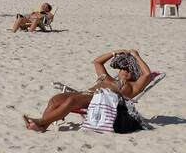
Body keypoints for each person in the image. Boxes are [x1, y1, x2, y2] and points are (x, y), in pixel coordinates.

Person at [24, 50, 153, 132]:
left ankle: (41, 121)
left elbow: (148, 74)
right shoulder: (108, 78)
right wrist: (115, 53)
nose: (125, 71)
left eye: (129, 70)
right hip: (85, 94)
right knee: (55, 99)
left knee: (71, 101)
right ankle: (44, 127)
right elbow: (97, 62)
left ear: (134, 74)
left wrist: (136, 56)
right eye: (123, 69)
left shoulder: (132, 86)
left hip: (100, 100)